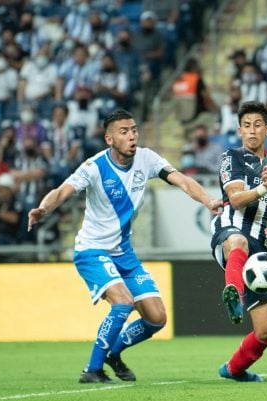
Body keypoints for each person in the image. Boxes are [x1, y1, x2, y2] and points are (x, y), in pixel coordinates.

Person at [28, 109, 222, 384]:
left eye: (133, 130)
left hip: (124, 252)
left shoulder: (147, 158)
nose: (131, 136)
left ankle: (113, 354)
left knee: (156, 318)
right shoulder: (94, 167)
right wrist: (43, 209)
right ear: (109, 139)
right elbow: (62, 191)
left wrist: (207, 200)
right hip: (92, 250)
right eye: (124, 132)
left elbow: (183, 180)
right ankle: (92, 369)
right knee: (123, 303)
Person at [210, 101, 267, 382]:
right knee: (239, 241)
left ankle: (234, 370)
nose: (252, 131)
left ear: (266, 130)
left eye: (257, 125)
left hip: (261, 250)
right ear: (239, 130)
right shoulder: (233, 157)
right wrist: (263, 187)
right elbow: (235, 198)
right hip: (230, 232)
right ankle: (234, 290)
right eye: (246, 125)